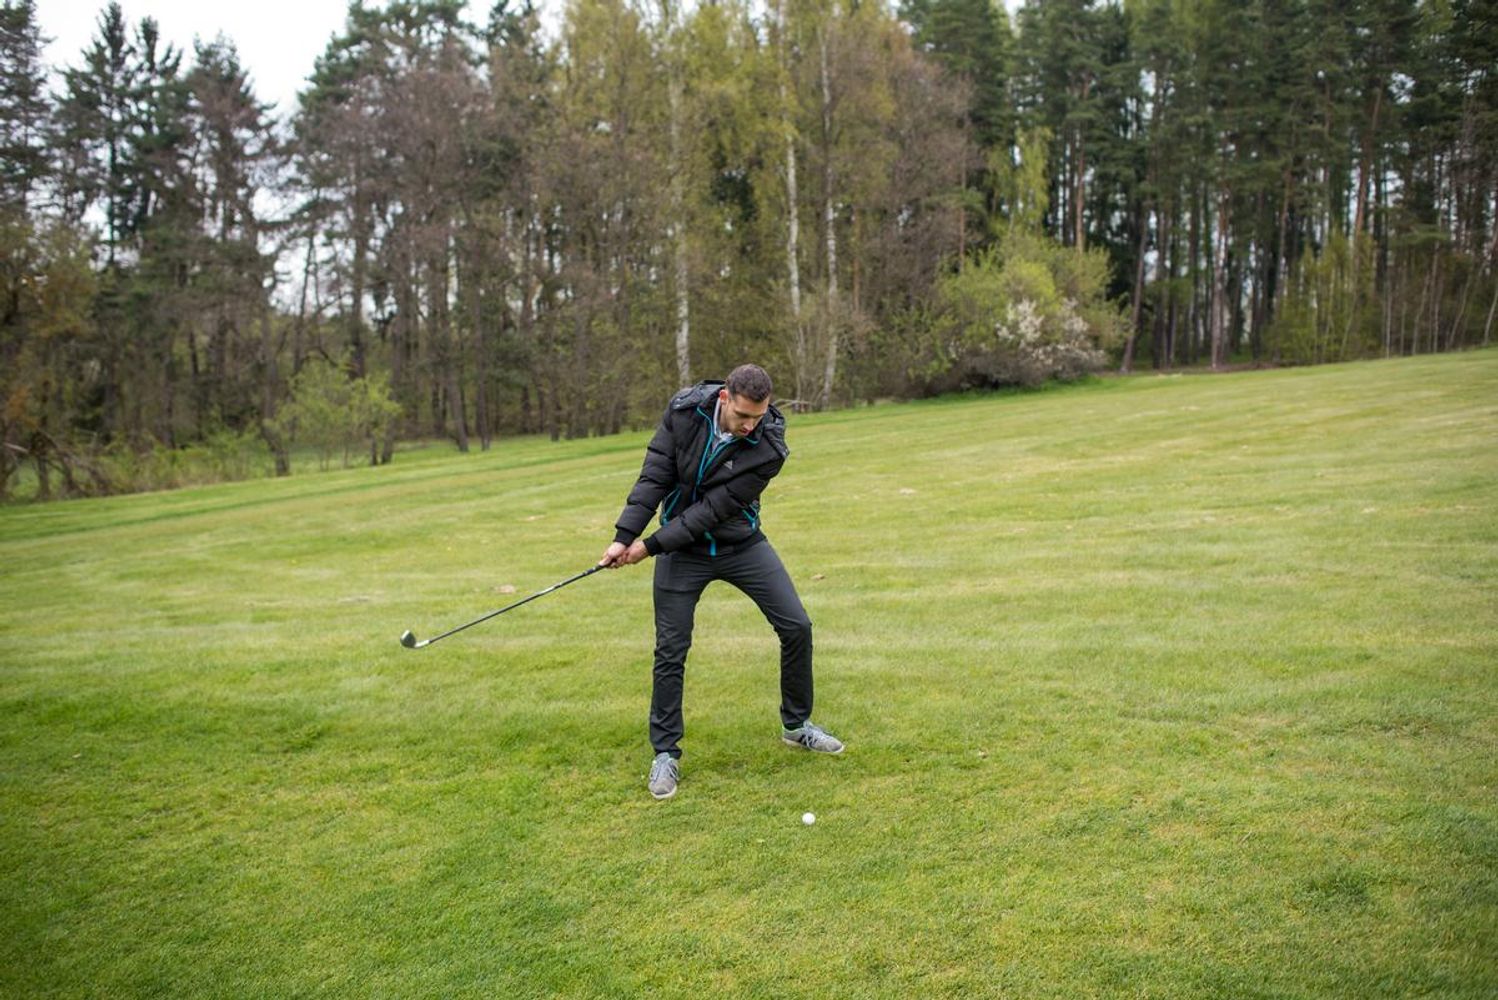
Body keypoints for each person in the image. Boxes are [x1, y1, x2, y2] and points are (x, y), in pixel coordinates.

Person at [600, 363, 844, 799]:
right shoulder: (684, 412)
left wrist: (648, 546)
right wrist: (623, 537)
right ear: (725, 398)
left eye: (758, 416)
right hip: (682, 556)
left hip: (740, 545)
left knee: (796, 626)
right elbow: (655, 474)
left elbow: (712, 511)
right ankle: (665, 754)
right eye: (743, 415)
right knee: (671, 649)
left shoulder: (769, 446)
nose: (751, 426)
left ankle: (796, 725)